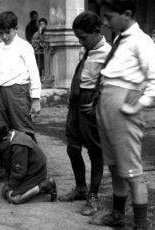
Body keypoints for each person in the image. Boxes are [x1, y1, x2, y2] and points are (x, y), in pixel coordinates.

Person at [89, 1, 155, 229]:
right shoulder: (120, 38)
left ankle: (141, 225)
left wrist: (138, 104)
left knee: (132, 170)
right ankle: (117, 215)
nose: (104, 22)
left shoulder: (141, 41)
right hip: (107, 105)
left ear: (126, 15)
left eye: (108, 17)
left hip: (124, 107)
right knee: (115, 166)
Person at [57, 11, 111, 217]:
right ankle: (80, 188)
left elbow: (112, 85)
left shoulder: (108, 53)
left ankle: (93, 196)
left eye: (83, 37)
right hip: (76, 103)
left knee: (95, 151)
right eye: (78, 37)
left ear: (97, 32)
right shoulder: (85, 49)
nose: (80, 41)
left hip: (91, 104)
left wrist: (98, 105)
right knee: (72, 147)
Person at [0, 11, 41, 183]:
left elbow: (34, 72)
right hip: (1, 92)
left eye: (7, 32)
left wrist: (36, 99)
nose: (4, 36)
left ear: (15, 29)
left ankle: (35, 168)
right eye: (0, 32)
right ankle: (1, 169)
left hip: (19, 92)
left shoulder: (25, 46)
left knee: (23, 130)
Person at [0, 122, 57, 204]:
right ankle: (33, 188)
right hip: (27, 170)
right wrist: (8, 183)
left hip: (35, 172)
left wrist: (10, 186)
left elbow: (19, 172)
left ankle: (45, 185)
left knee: (14, 198)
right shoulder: (10, 138)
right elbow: (8, 165)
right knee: (5, 191)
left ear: (4, 139)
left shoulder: (18, 146)